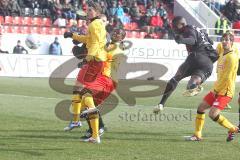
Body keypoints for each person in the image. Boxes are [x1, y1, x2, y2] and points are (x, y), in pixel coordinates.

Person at [153, 16, 218, 113]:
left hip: (196, 57)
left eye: (175, 27)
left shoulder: (188, 29)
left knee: (175, 79)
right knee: (190, 85)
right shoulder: (199, 29)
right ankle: (194, 86)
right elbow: (211, 42)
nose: (174, 29)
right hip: (208, 63)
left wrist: (181, 40)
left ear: (183, 24)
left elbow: (193, 40)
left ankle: (161, 104)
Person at [63, 1, 107, 143]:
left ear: (97, 12)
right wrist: (73, 35)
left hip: (94, 61)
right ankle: (80, 123)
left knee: (84, 94)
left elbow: (94, 44)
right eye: (87, 10)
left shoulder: (95, 24)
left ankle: (94, 133)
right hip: (95, 60)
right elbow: (89, 40)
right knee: (78, 89)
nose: (88, 12)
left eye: (91, 10)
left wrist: (87, 59)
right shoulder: (95, 23)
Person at [185, 32, 239, 141]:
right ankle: (197, 135)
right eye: (222, 39)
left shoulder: (232, 58)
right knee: (201, 108)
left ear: (232, 42)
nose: (224, 42)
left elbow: (227, 78)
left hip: (225, 91)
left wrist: (216, 90)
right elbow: (212, 50)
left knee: (213, 114)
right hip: (217, 88)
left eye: (227, 40)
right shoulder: (221, 48)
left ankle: (233, 128)